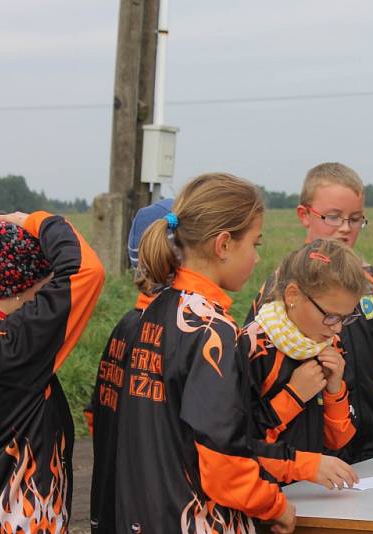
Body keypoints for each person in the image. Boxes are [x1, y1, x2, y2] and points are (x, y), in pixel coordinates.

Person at [111, 173, 296, 533]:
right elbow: (223, 464)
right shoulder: (211, 329)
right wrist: (275, 505)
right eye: (255, 244)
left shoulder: (155, 309)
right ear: (223, 244)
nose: (257, 258)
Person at [0, 212, 105, 532]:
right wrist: (34, 220)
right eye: (45, 280)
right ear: (19, 286)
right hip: (18, 522)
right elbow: (86, 270)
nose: (48, 287)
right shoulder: (13, 347)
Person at [247, 162, 373, 464]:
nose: (344, 227)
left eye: (355, 219)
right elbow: (251, 390)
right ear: (304, 215)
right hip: (307, 459)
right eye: (333, 217)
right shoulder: (280, 290)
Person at [242, 239, 367, 489]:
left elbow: (338, 441)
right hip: (264, 497)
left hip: (312, 492)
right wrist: (294, 395)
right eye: (330, 315)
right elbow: (239, 445)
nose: (337, 327)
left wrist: (335, 390)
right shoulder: (252, 347)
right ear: (293, 295)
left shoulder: (330, 346)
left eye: (346, 317)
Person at [87, 197, 173, 533]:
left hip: (112, 501)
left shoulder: (126, 324)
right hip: (152, 509)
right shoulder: (175, 333)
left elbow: (95, 416)